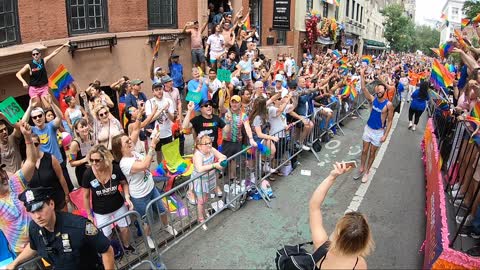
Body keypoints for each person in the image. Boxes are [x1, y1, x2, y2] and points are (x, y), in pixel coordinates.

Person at [111, 115, 177, 250]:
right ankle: (147, 237)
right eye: (126, 142)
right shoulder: (124, 163)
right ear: (120, 149)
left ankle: (166, 226)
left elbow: (135, 130)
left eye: (129, 140)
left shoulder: (132, 150)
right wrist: (152, 145)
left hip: (151, 188)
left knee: (163, 210)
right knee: (148, 219)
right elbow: (145, 165)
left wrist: (139, 116)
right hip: (140, 196)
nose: (130, 142)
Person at [9, 186, 114, 270]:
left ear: (51, 204)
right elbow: (33, 246)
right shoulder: (34, 227)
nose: (37, 216)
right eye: (32, 212)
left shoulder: (81, 225)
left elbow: (106, 249)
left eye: (40, 209)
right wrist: (15, 262)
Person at [309, 162, 373, 269]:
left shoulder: (321, 245)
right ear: (364, 241)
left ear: (338, 233)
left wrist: (332, 177)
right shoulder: (359, 264)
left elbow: (314, 206)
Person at [81, 145, 135, 253]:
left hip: (118, 205)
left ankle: (126, 246)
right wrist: (89, 215)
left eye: (97, 160)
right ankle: (109, 254)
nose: (94, 163)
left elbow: (124, 184)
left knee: (124, 228)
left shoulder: (114, 168)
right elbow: (86, 196)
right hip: (100, 211)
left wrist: (127, 197)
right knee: (106, 235)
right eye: (91, 160)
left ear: (105, 159)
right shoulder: (88, 174)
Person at [0, 121, 37, 254]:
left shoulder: (14, 182)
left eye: (2, 171)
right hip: (23, 255)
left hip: (43, 243)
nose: (3, 176)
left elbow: (31, 161)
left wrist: (27, 138)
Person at [354, 67, 394, 183]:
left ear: (384, 92)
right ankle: (361, 168)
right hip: (368, 129)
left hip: (378, 132)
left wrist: (385, 135)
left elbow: (390, 121)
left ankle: (367, 171)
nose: (379, 93)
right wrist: (362, 74)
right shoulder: (372, 99)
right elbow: (363, 88)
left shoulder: (389, 105)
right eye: (378, 91)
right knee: (364, 151)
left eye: (381, 91)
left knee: (372, 152)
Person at [190, 132, 227, 230]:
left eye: (210, 142)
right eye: (206, 144)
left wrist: (221, 160)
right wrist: (215, 165)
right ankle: (201, 219)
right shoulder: (197, 155)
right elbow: (199, 168)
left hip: (209, 179)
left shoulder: (211, 150)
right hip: (200, 181)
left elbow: (223, 156)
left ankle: (204, 210)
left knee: (205, 198)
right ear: (199, 146)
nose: (209, 145)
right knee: (201, 201)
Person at [15, 43, 70, 108]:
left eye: (37, 54)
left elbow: (54, 53)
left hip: (44, 88)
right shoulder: (29, 65)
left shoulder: (43, 61)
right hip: (34, 89)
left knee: (48, 106)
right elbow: (18, 74)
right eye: (34, 54)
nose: (35, 55)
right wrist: (23, 82)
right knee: (38, 107)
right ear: (32, 56)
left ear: (40, 54)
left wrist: (63, 46)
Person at [28, 134, 70, 212]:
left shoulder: (50, 158)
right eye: (31, 144)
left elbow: (61, 177)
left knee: (63, 221)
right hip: (41, 203)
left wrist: (67, 194)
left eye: (36, 144)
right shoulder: (25, 164)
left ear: (40, 144)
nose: (33, 147)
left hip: (57, 198)